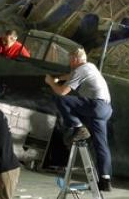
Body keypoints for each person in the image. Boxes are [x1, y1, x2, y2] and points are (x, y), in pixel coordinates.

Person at [44, 48, 113, 191]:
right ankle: (105, 180)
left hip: (95, 105)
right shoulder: (90, 67)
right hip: (105, 110)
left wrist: (51, 82)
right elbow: (70, 76)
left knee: (61, 99)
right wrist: (60, 78)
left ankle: (78, 127)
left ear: (75, 59)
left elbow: (62, 92)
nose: (70, 63)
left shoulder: (80, 70)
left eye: (70, 60)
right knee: (101, 146)